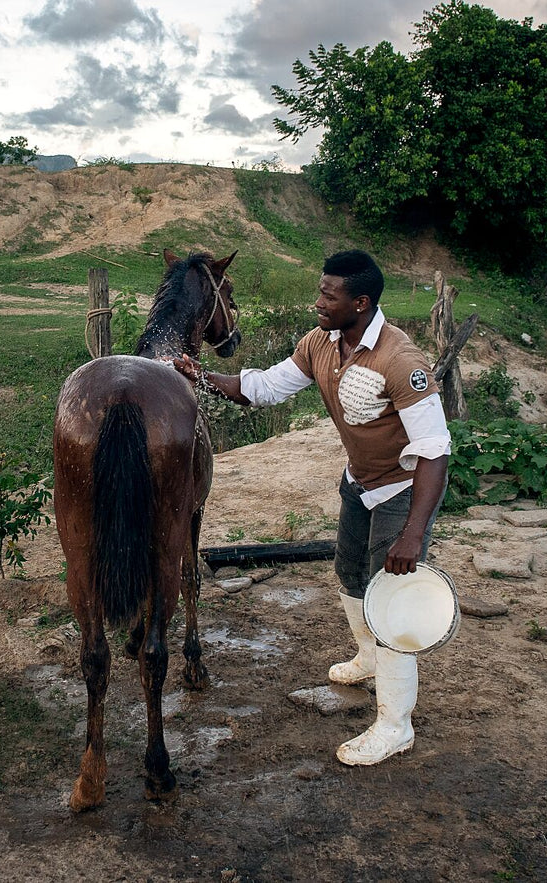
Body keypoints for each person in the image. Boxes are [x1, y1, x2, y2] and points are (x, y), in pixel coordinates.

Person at [171, 249, 450, 766]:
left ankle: (395, 725)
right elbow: (264, 387)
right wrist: (201, 376)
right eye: (320, 290)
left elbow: (434, 452)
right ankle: (369, 658)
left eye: (329, 295)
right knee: (349, 574)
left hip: (402, 491)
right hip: (359, 483)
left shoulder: (400, 361)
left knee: (393, 605)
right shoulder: (320, 343)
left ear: (360, 303)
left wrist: (413, 534)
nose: (317, 301)